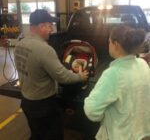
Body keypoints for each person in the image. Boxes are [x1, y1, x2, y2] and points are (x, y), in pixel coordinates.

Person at [14, 9, 88, 140]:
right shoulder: (44, 49)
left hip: (27, 102)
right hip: (44, 106)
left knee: (37, 134)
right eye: (49, 25)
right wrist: (80, 76)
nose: (52, 29)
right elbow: (63, 77)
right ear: (41, 26)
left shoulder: (19, 44)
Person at [84, 25, 150, 140]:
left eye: (109, 41)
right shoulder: (143, 64)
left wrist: (105, 115)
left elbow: (91, 110)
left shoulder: (113, 74)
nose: (108, 45)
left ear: (116, 44)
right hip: (142, 133)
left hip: (122, 135)